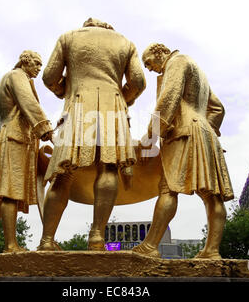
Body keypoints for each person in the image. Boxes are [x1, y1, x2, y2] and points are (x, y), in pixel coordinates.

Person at [38, 18, 146, 251]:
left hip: (77, 105)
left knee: (62, 173)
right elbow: (138, 81)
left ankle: (47, 240)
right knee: (108, 167)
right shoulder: (126, 43)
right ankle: (97, 236)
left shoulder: (68, 37)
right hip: (113, 108)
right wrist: (123, 98)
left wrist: (64, 90)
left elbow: (48, 77)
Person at [133, 43, 234, 259]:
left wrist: (152, 133)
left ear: (160, 52)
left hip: (183, 132)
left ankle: (150, 246)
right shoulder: (197, 69)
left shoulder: (176, 63)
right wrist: (205, 129)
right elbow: (218, 108)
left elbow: (169, 97)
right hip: (205, 133)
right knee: (212, 195)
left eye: (149, 63)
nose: (150, 69)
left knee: (168, 188)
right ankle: (212, 251)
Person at [0, 50, 53, 258]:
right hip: (14, 139)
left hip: (9, 137)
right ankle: (10, 245)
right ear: (25, 62)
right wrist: (47, 130)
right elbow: (29, 103)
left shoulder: (14, 77)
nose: (39, 67)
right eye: (36, 63)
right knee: (10, 191)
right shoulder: (17, 76)